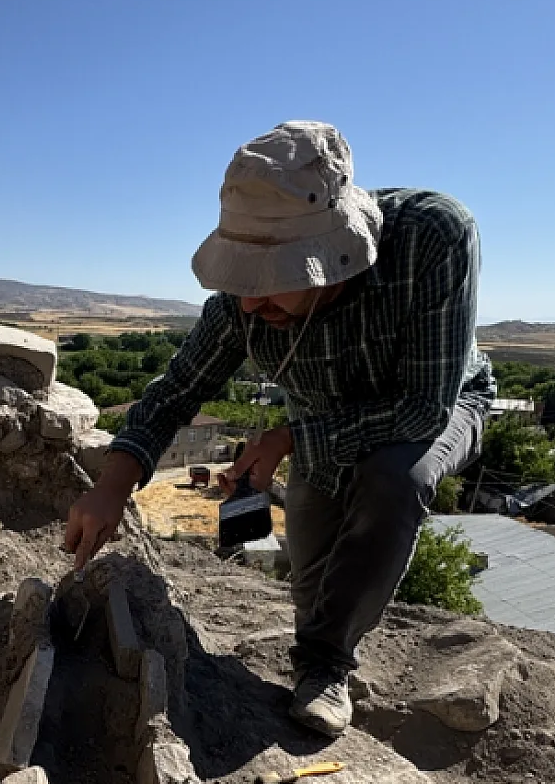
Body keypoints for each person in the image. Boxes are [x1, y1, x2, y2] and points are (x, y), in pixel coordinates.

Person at [64, 121, 495, 738]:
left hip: (439, 403)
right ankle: (317, 644)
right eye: (242, 281)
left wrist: (289, 440)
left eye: (269, 281)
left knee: (394, 478)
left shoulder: (433, 236)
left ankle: (328, 667)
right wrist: (112, 485)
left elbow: (422, 410)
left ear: (334, 255)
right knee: (312, 571)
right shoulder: (246, 308)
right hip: (321, 423)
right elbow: (175, 392)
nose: (247, 306)